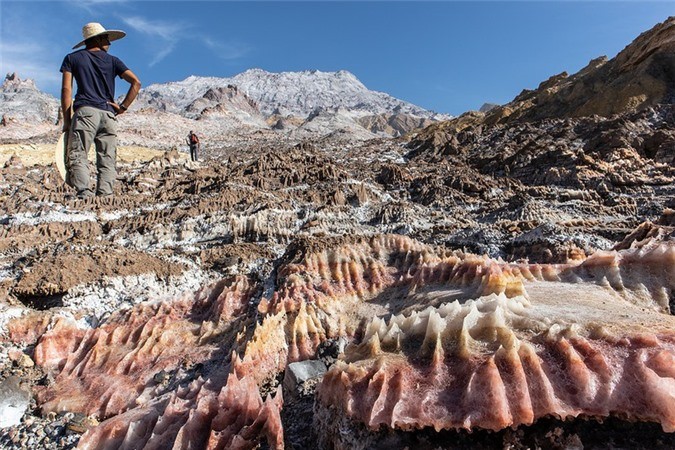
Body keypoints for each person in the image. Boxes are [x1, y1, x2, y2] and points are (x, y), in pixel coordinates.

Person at [60, 22, 141, 198]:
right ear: (96, 40)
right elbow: (136, 82)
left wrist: (67, 121)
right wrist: (122, 108)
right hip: (108, 115)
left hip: (86, 113)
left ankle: (84, 193)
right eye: (106, 38)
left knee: (78, 153)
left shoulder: (72, 59)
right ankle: (106, 195)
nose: (109, 43)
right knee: (107, 157)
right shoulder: (113, 61)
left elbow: (67, 90)